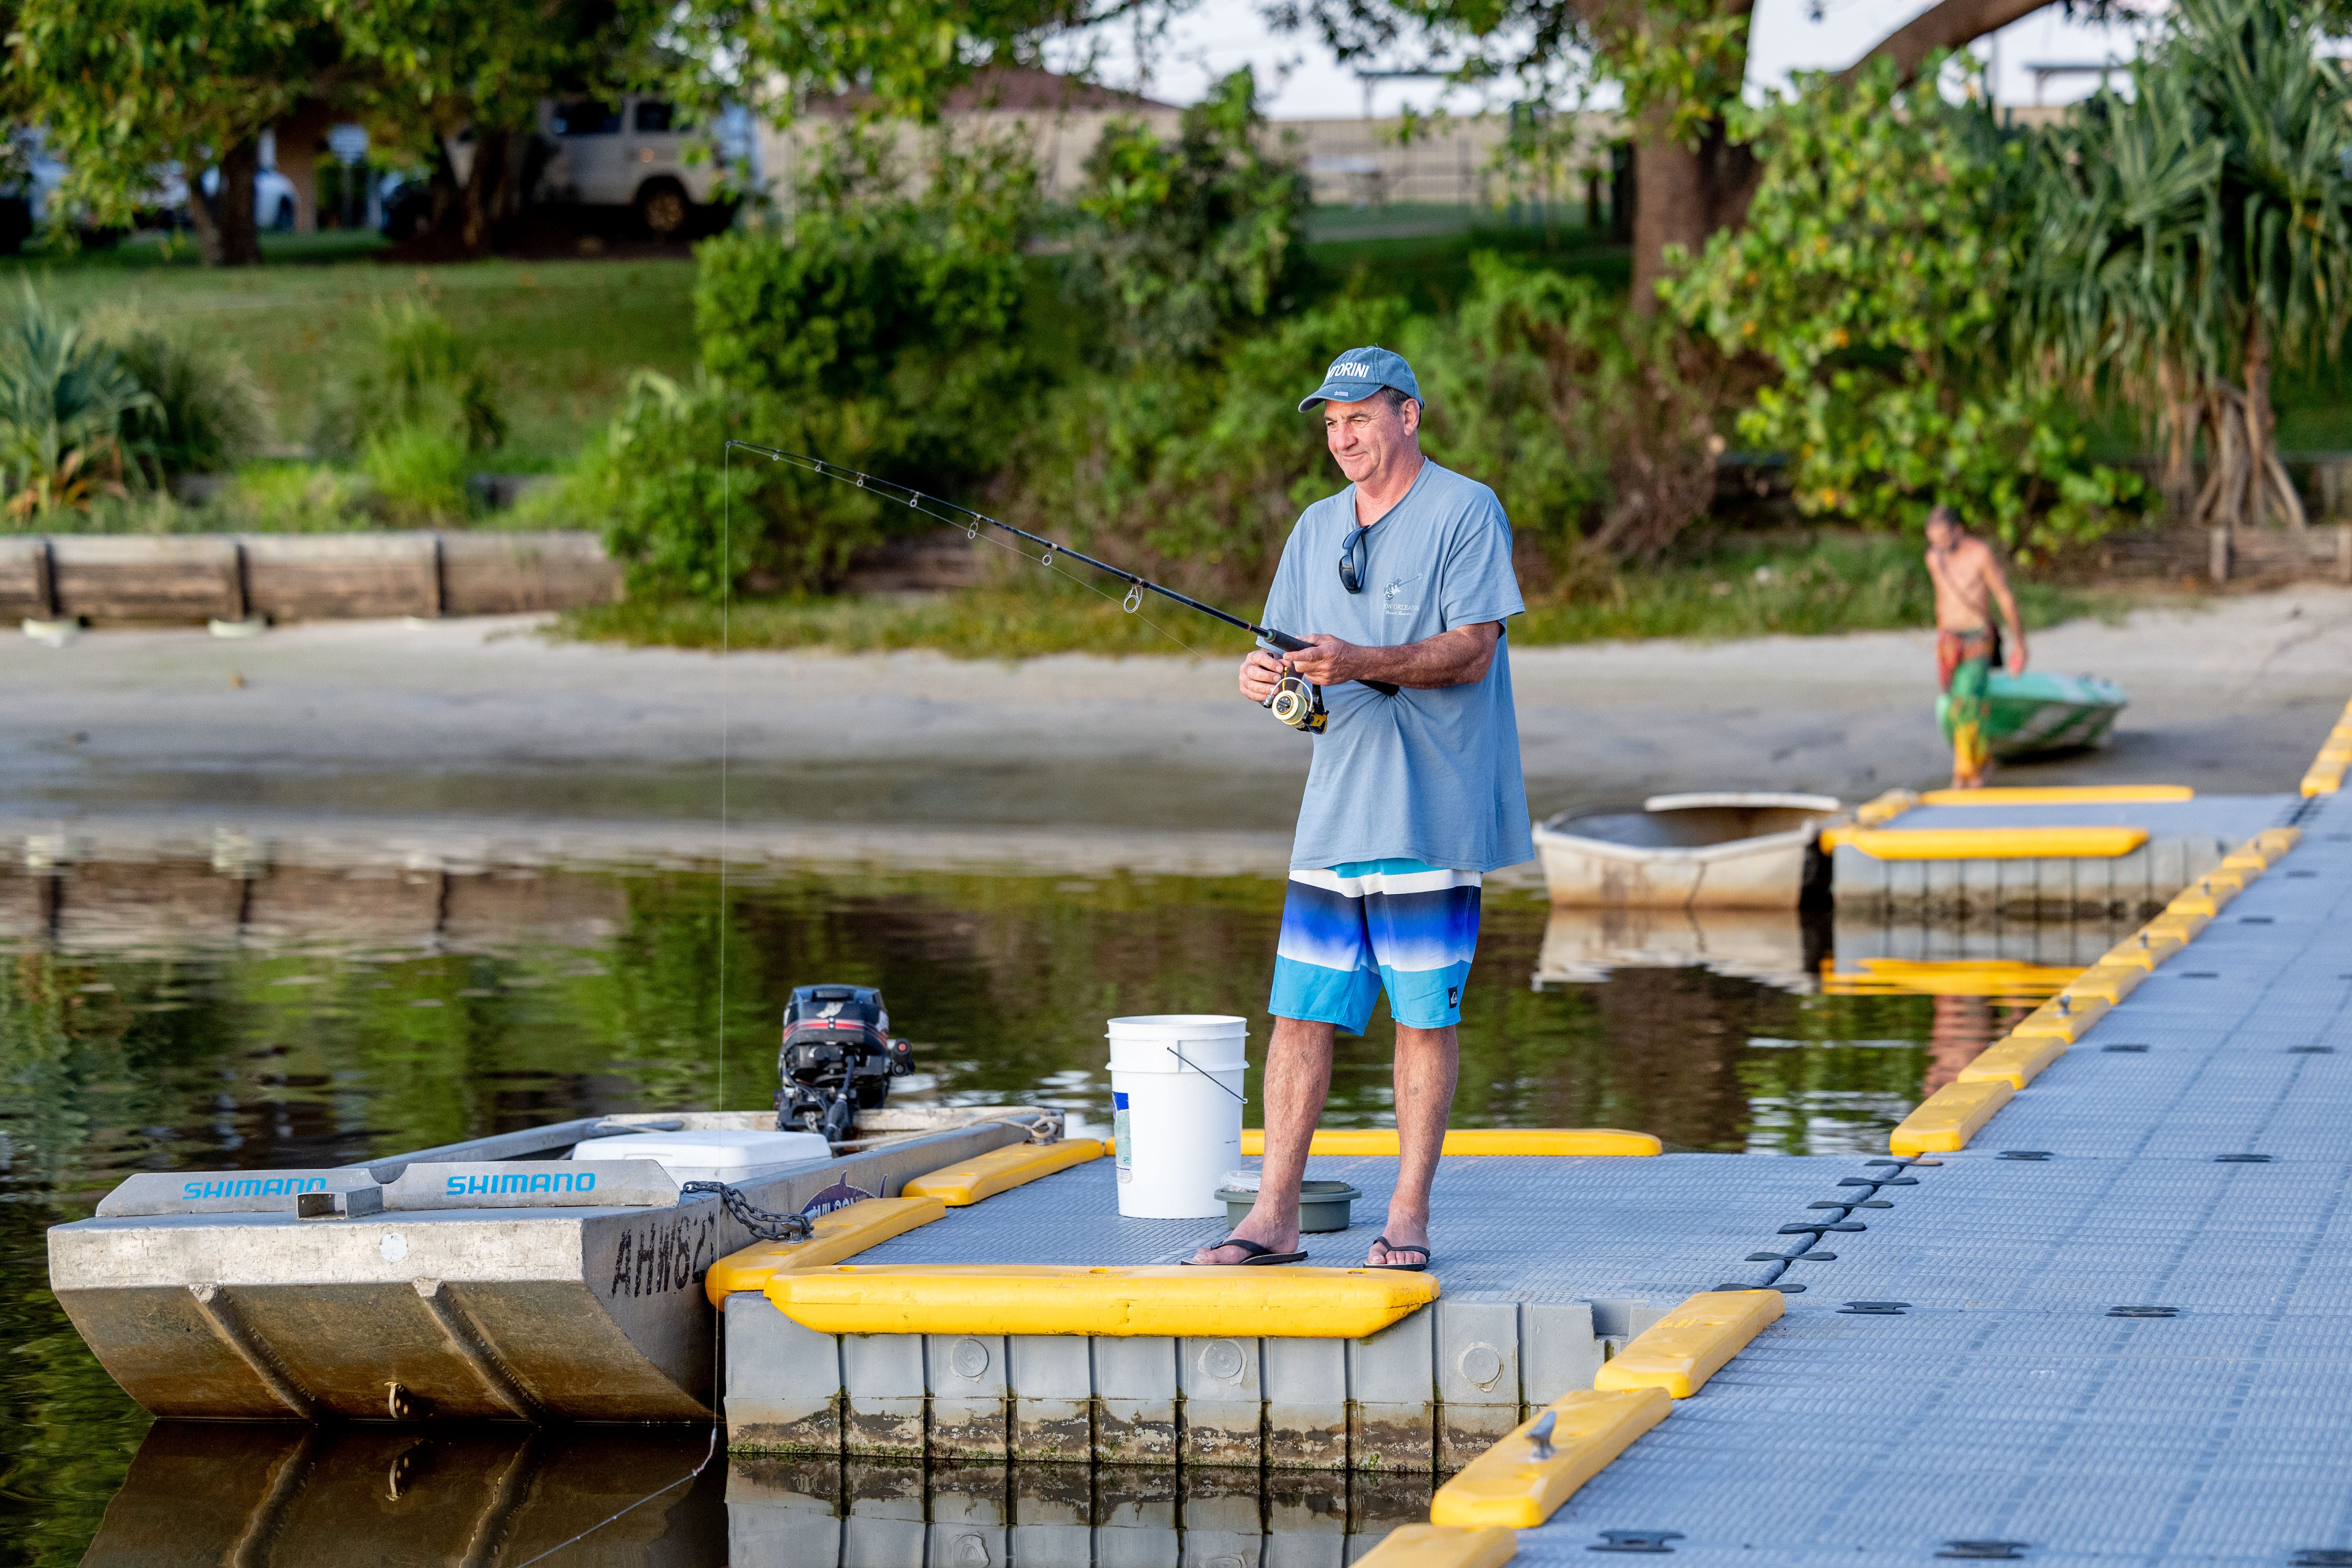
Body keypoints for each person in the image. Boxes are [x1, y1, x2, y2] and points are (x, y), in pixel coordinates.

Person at [1190, 347, 1532, 1272]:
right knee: (1298, 1013)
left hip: (1432, 807)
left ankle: (1408, 1217)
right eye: (1332, 422)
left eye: (1361, 418)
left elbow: (1472, 652)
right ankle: (1272, 1218)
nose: (1343, 436)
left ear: (1408, 417)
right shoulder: (1312, 526)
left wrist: (1359, 660)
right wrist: (1262, 677)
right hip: (1335, 808)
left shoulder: (1467, 509)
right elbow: (1292, 664)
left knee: (1424, 1016)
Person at [1923, 504, 2027, 790]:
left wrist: (2020, 643)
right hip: (1949, 642)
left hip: (1977, 637)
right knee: (1960, 704)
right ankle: (1981, 762)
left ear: (1959, 531)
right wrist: (1940, 639)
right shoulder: (1934, 558)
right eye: (1934, 541)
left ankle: (1966, 773)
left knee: (1968, 702)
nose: (1940, 546)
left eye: (1945, 539)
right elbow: (1941, 601)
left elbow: (2004, 596)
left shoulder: (1980, 555)